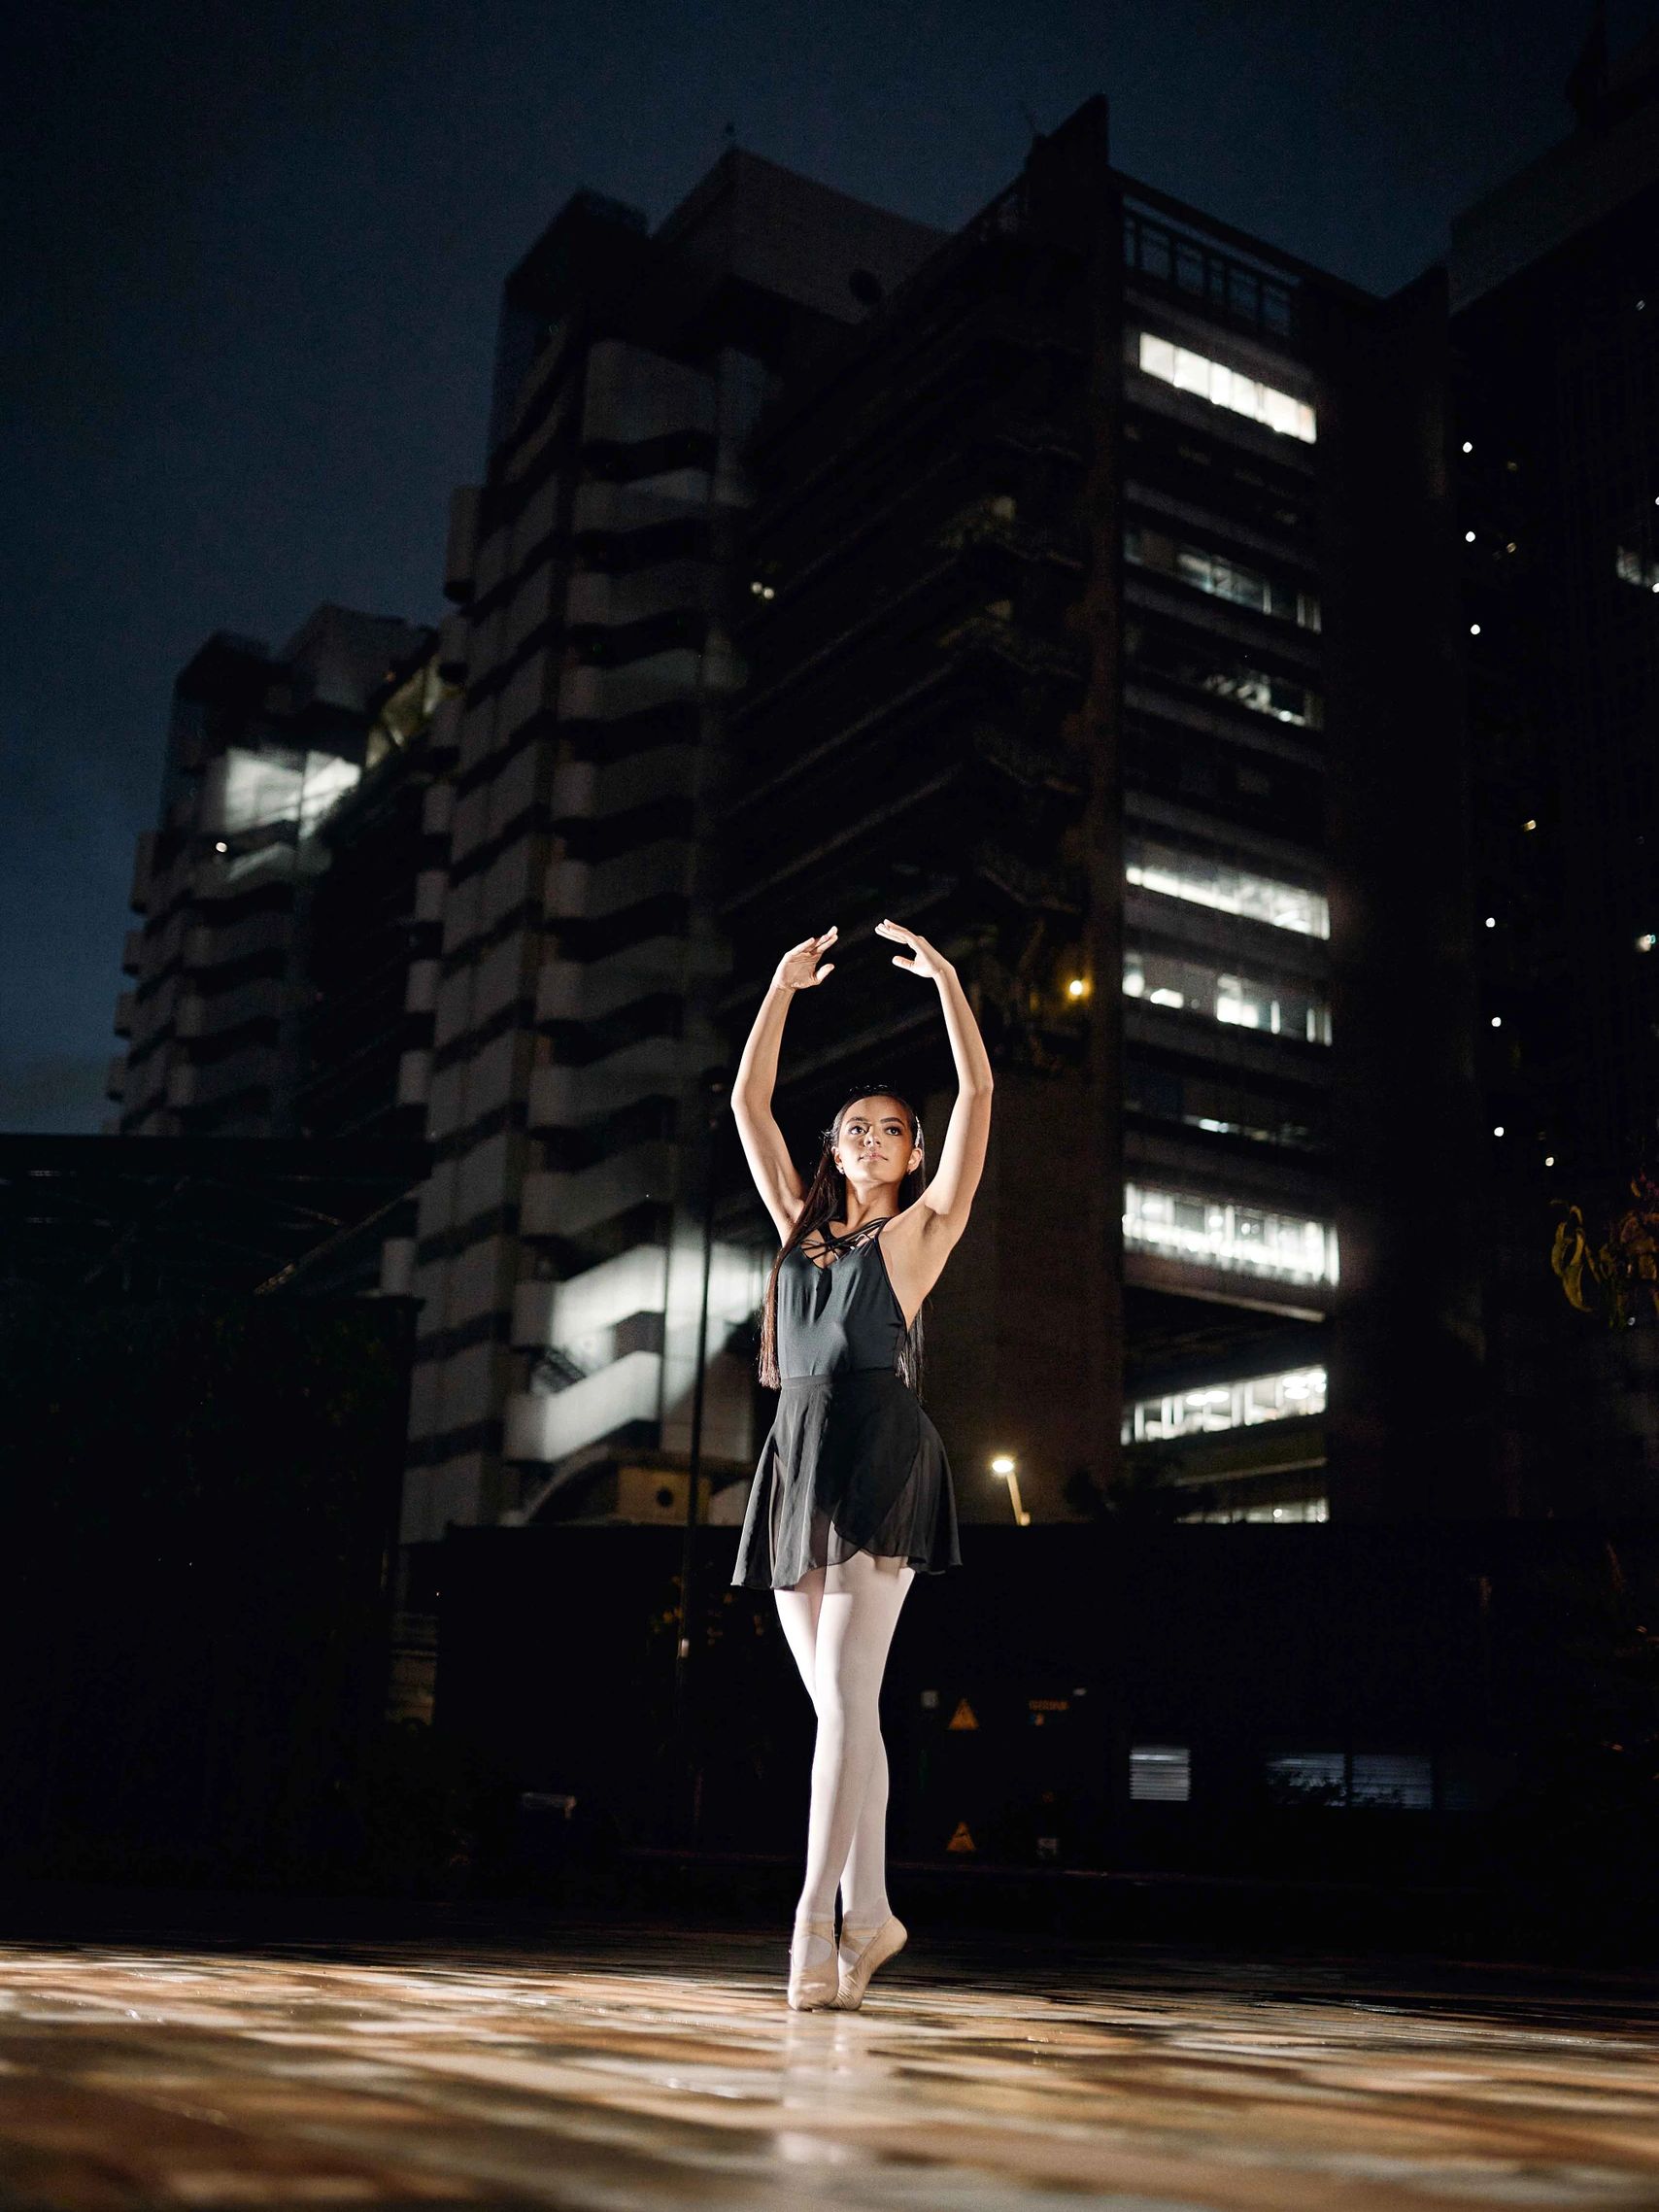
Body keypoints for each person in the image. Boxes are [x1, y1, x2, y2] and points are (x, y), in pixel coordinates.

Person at [729, 917, 994, 2010]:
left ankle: (813, 1924)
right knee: (842, 1709)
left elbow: (978, 1098)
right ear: (834, 1150)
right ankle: (875, 1911)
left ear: (913, 1153)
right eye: (856, 1129)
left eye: (893, 1130)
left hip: (879, 1449)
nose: (874, 1139)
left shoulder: (918, 1236)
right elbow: (749, 1105)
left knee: (845, 1702)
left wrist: (949, 983)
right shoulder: (800, 1228)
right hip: (794, 1458)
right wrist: (781, 990)